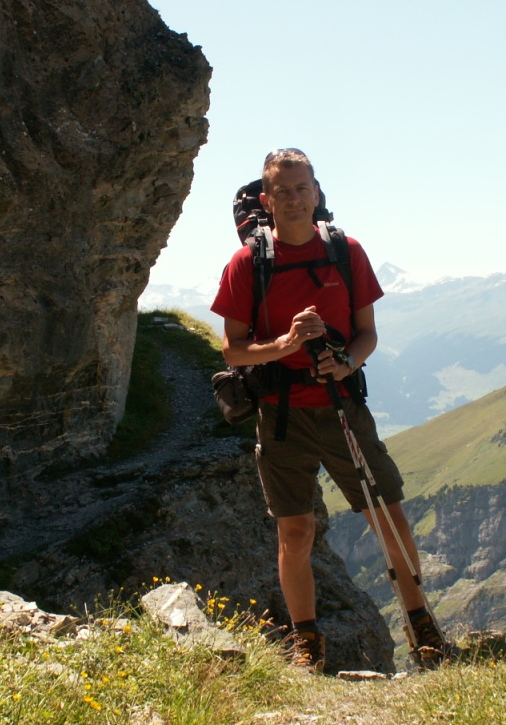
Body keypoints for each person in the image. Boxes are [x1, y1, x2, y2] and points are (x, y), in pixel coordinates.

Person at [210, 148, 451, 673]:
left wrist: (345, 365)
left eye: (303, 189)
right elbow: (232, 350)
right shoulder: (249, 263)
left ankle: (424, 631)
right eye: (283, 191)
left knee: (389, 517)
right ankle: (307, 644)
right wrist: (286, 344)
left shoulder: (347, 251)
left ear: (317, 193)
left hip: (342, 405)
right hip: (280, 414)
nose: (294, 199)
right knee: (294, 532)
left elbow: (367, 334)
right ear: (268, 199)